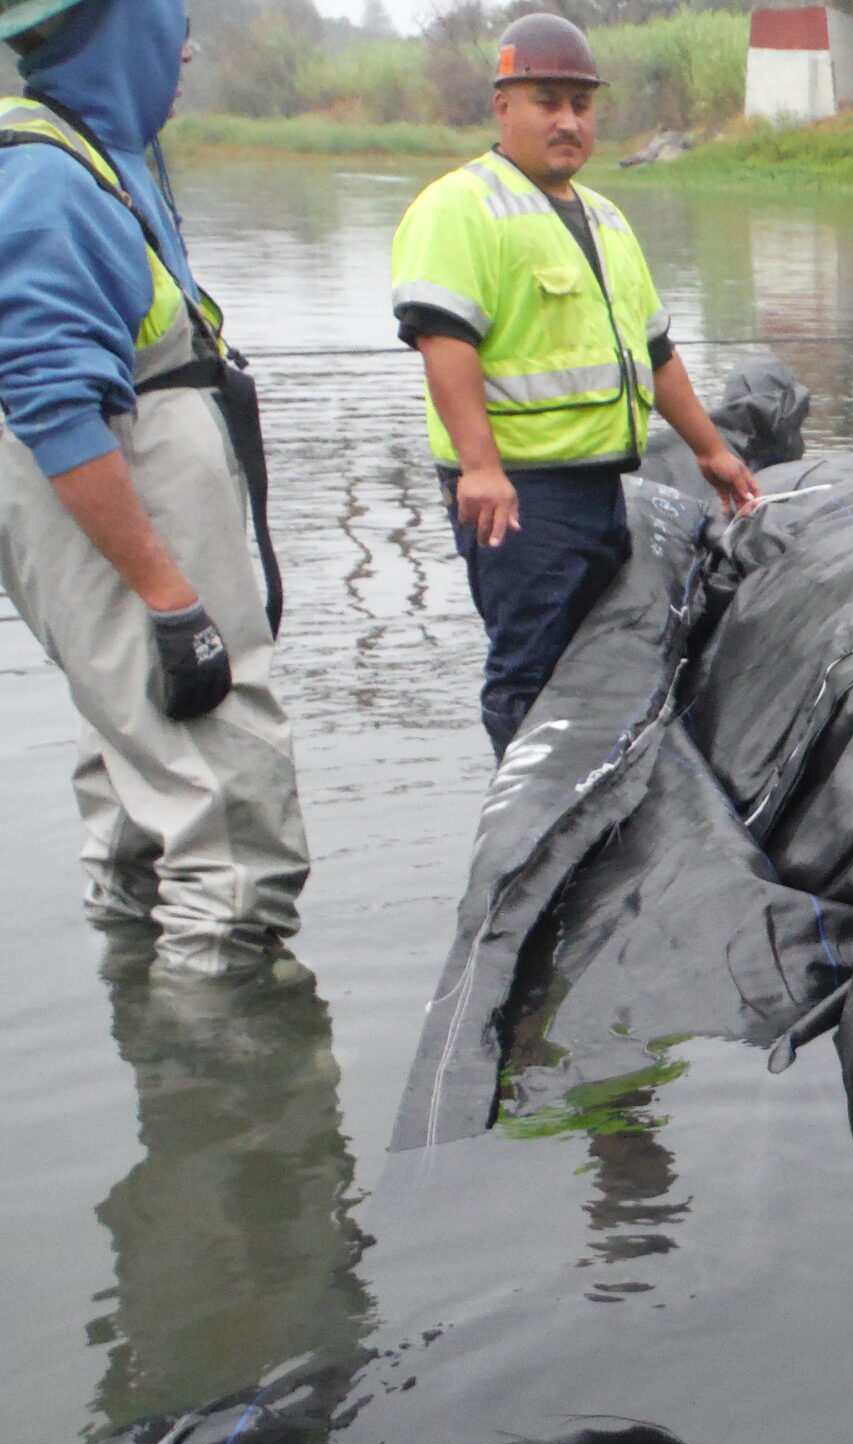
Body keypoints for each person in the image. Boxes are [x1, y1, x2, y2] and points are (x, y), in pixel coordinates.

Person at [0, 0, 309, 976]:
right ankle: (234, 1106)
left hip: (140, 531)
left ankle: (151, 1033)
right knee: (230, 843)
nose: (185, 47)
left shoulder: (104, 154)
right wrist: (170, 598)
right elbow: (50, 401)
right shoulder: (47, 175)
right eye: (167, 24)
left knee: (144, 807)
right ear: (115, 34)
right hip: (132, 537)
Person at [388, 14, 757, 755]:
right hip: (520, 498)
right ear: (503, 106)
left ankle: (594, 807)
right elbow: (443, 341)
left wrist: (712, 452)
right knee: (530, 670)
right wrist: (482, 469)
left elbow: (656, 352)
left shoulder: (608, 219)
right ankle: (531, 841)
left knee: (594, 664)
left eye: (581, 107)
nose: (567, 122)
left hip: (596, 487)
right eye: (546, 101)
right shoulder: (462, 206)